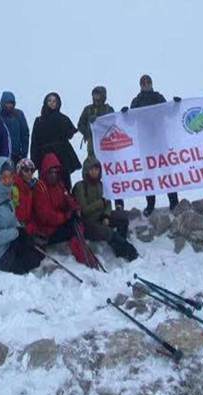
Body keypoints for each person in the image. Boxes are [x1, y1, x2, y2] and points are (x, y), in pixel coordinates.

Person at [114, 74, 181, 216]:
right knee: (148, 175)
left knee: (166, 172)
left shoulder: (158, 97)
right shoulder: (136, 101)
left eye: (148, 82)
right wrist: (125, 114)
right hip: (145, 143)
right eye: (143, 83)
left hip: (160, 141)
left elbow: (169, 113)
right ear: (140, 85)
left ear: (151, 83)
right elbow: (130, 122)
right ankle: (150, 204)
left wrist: (176, 105)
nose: (146, 85)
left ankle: (174, 202)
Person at [32, 153, 93, 266]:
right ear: (45, 172)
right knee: (73, 229)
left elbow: (69, 199)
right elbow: (45, 216)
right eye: (51, 172)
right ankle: (83, 258)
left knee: (78, 222)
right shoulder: (40, 188)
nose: (53, 175)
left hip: (58, 224)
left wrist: (75, 209)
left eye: (56, 172)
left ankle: (85, 254)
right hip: (46, 231)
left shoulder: (59, 185)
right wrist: (66, 217)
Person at [73, 157, 138, 261]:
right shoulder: (80, 187)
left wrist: (106, 216)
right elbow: (84, 211)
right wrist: (100, 203)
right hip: (88, 223)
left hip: (101, 216)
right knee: (108, 232)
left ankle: (120, 250)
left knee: (122, 218)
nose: (94, 172)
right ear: (86, 170)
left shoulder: (101, 185)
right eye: (91, 169)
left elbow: (108, 202)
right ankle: (130, 253)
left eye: (97, 169)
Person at [31, 92, 80, 190]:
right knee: (45, 185)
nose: (52, 103)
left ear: (58, 103)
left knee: (63, 185)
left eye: (54, 101)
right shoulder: (39, 120)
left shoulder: (63, 119)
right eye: (49, 101)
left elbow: (70, 134)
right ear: (45, 102)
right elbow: (34, 142)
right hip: (44, 156)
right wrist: (34, 161)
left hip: (61, 157)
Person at [77, 86, 114, 158]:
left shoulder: (108, 109)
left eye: (98, 95)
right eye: (94, 95)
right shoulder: (88, 109)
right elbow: (80, 124)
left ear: (103, 96)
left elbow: (113, 123)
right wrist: (87, 133)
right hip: (92, 142)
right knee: (92, 161)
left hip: (106, 141)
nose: (96, 97)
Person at [0, 91, 30, 163]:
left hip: (16, 155)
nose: (9, 105)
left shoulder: (19, 114)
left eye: (11, 103)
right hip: (0, 154)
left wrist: (24, 154)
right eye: (7, 103)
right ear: (2, 103)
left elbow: (25, 135)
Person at [12, 158, 38, 235]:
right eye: (26, 170)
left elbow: (33, 213)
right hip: (15, 228)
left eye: (32, 170)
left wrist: (30, 227)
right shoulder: (14, 188)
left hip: (26, 228)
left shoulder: (31, 189)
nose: (29, 173)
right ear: (19, 172)